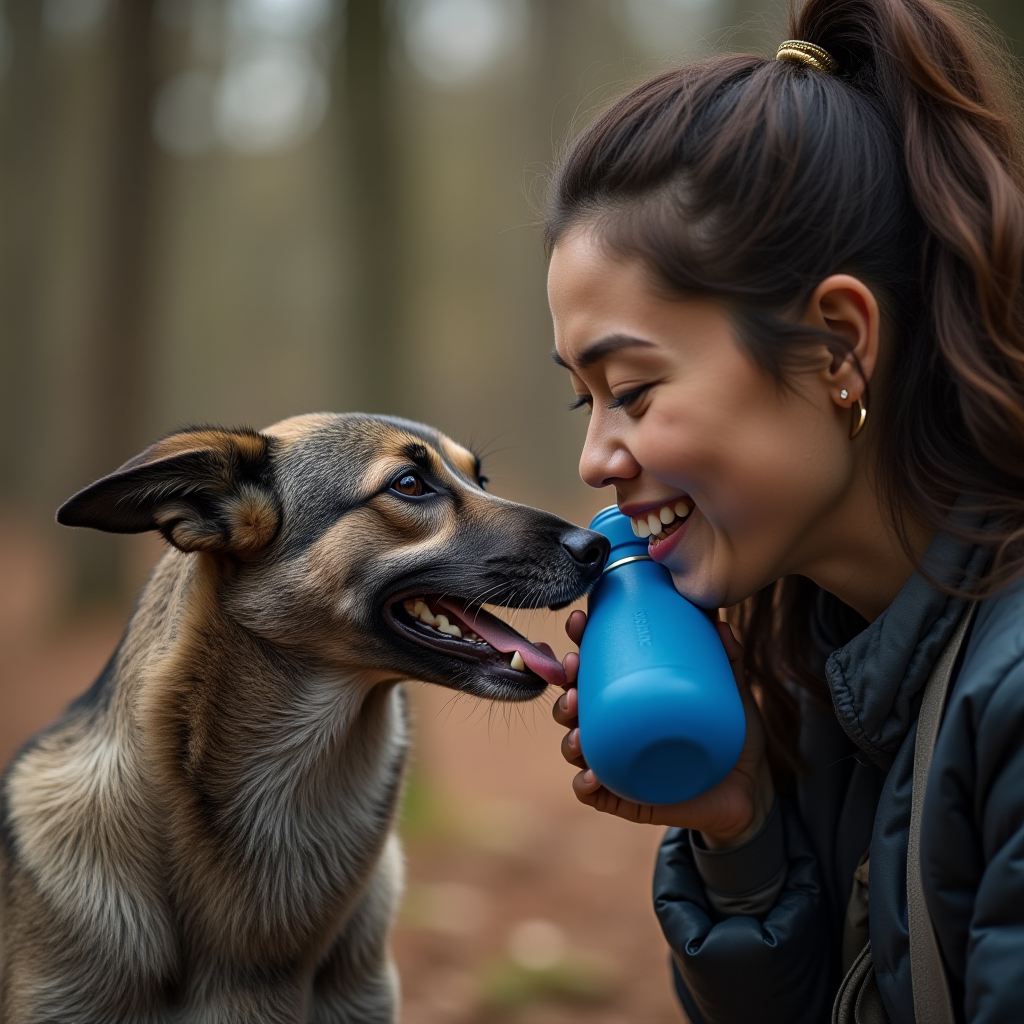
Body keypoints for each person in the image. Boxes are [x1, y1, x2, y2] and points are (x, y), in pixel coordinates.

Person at [544, 1, 1024, 1021]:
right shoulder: (824, 665)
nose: (593, 460)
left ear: (837, 346)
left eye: (631, 389)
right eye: (580, 400)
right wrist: (742, 834)